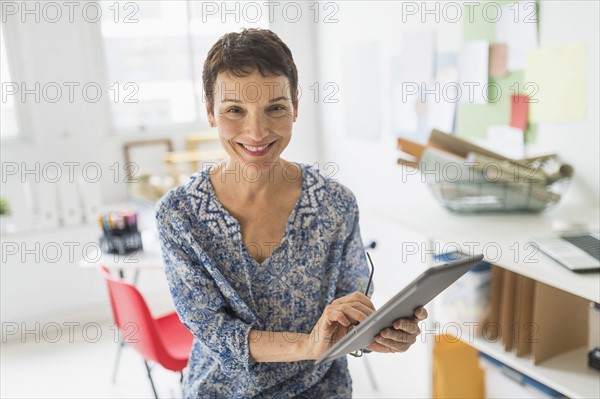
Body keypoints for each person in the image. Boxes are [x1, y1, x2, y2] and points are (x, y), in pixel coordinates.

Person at [155, 28, 427, 398]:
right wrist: (307, 344)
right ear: (210, 112)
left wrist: (374, 333)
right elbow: (213, 329)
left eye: (275, 108)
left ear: (295, 106)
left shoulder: (335, 205)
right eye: (235, 110)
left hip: (320, 389)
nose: (257, 131)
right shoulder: (180, 215)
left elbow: (349, 316)